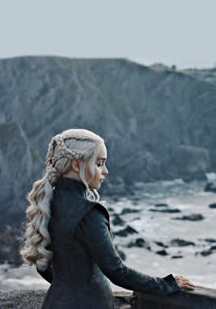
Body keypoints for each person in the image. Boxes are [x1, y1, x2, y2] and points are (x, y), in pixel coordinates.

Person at [20, 128, 195, 309]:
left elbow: (43, 265)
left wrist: (68, 286)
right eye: (100, 163)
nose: (106, 171)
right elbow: (117, 271)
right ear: (76, 164)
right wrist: (167, 284)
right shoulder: (89, 213)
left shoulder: (47, 202)